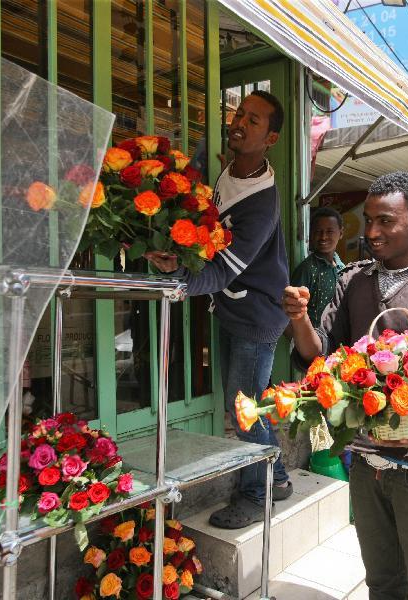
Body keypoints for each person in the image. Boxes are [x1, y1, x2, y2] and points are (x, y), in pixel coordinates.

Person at [283, 172, 408, 600]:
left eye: (385, 221)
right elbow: (319, 355)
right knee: (382, 581)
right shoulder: (352, 282)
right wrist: (298, 318)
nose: (371, 232)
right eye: (369, 220)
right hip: (366, 463)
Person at [145, 90, 292, 528]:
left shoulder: (261, 204)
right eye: (239, 114)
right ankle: (279, 477)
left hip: (256, 317)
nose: (239, 123)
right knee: (250, 403)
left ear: (271, 139)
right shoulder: (231, 170)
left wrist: (179, 277)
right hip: (234, 310)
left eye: (253, 120)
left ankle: (256, 494)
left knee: (242, 408)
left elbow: (223, 271)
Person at [290, 206, 345, 327]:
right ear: (311, 234)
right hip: (313, 336)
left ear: (341, 233)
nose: (323, 237)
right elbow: (292, 314)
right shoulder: (307, 269)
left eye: (329, 231)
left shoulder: (342, 268)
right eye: (318, 232)